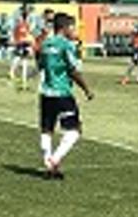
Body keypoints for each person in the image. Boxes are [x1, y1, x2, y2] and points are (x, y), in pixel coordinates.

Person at [37, 12, 95, 179]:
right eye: (72, 27)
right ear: (64, 28)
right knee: (75, 131)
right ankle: (53, 161)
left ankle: (49, 165)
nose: (74, 30)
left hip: (46, 93)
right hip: (62, 93)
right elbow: (73, 70)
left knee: (47, 129)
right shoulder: (66, 45)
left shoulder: (46, 44)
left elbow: (40, 65)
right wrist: (86, 89)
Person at [9, 8, 34, 91]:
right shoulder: (20, 26)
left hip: (25, 43)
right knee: (18, 58)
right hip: (21, 43)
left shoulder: (26, 25)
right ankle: (12, 72)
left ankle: (23, 75)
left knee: (24, 60)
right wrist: (17, 41)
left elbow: (28, 33)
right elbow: (19, 35)